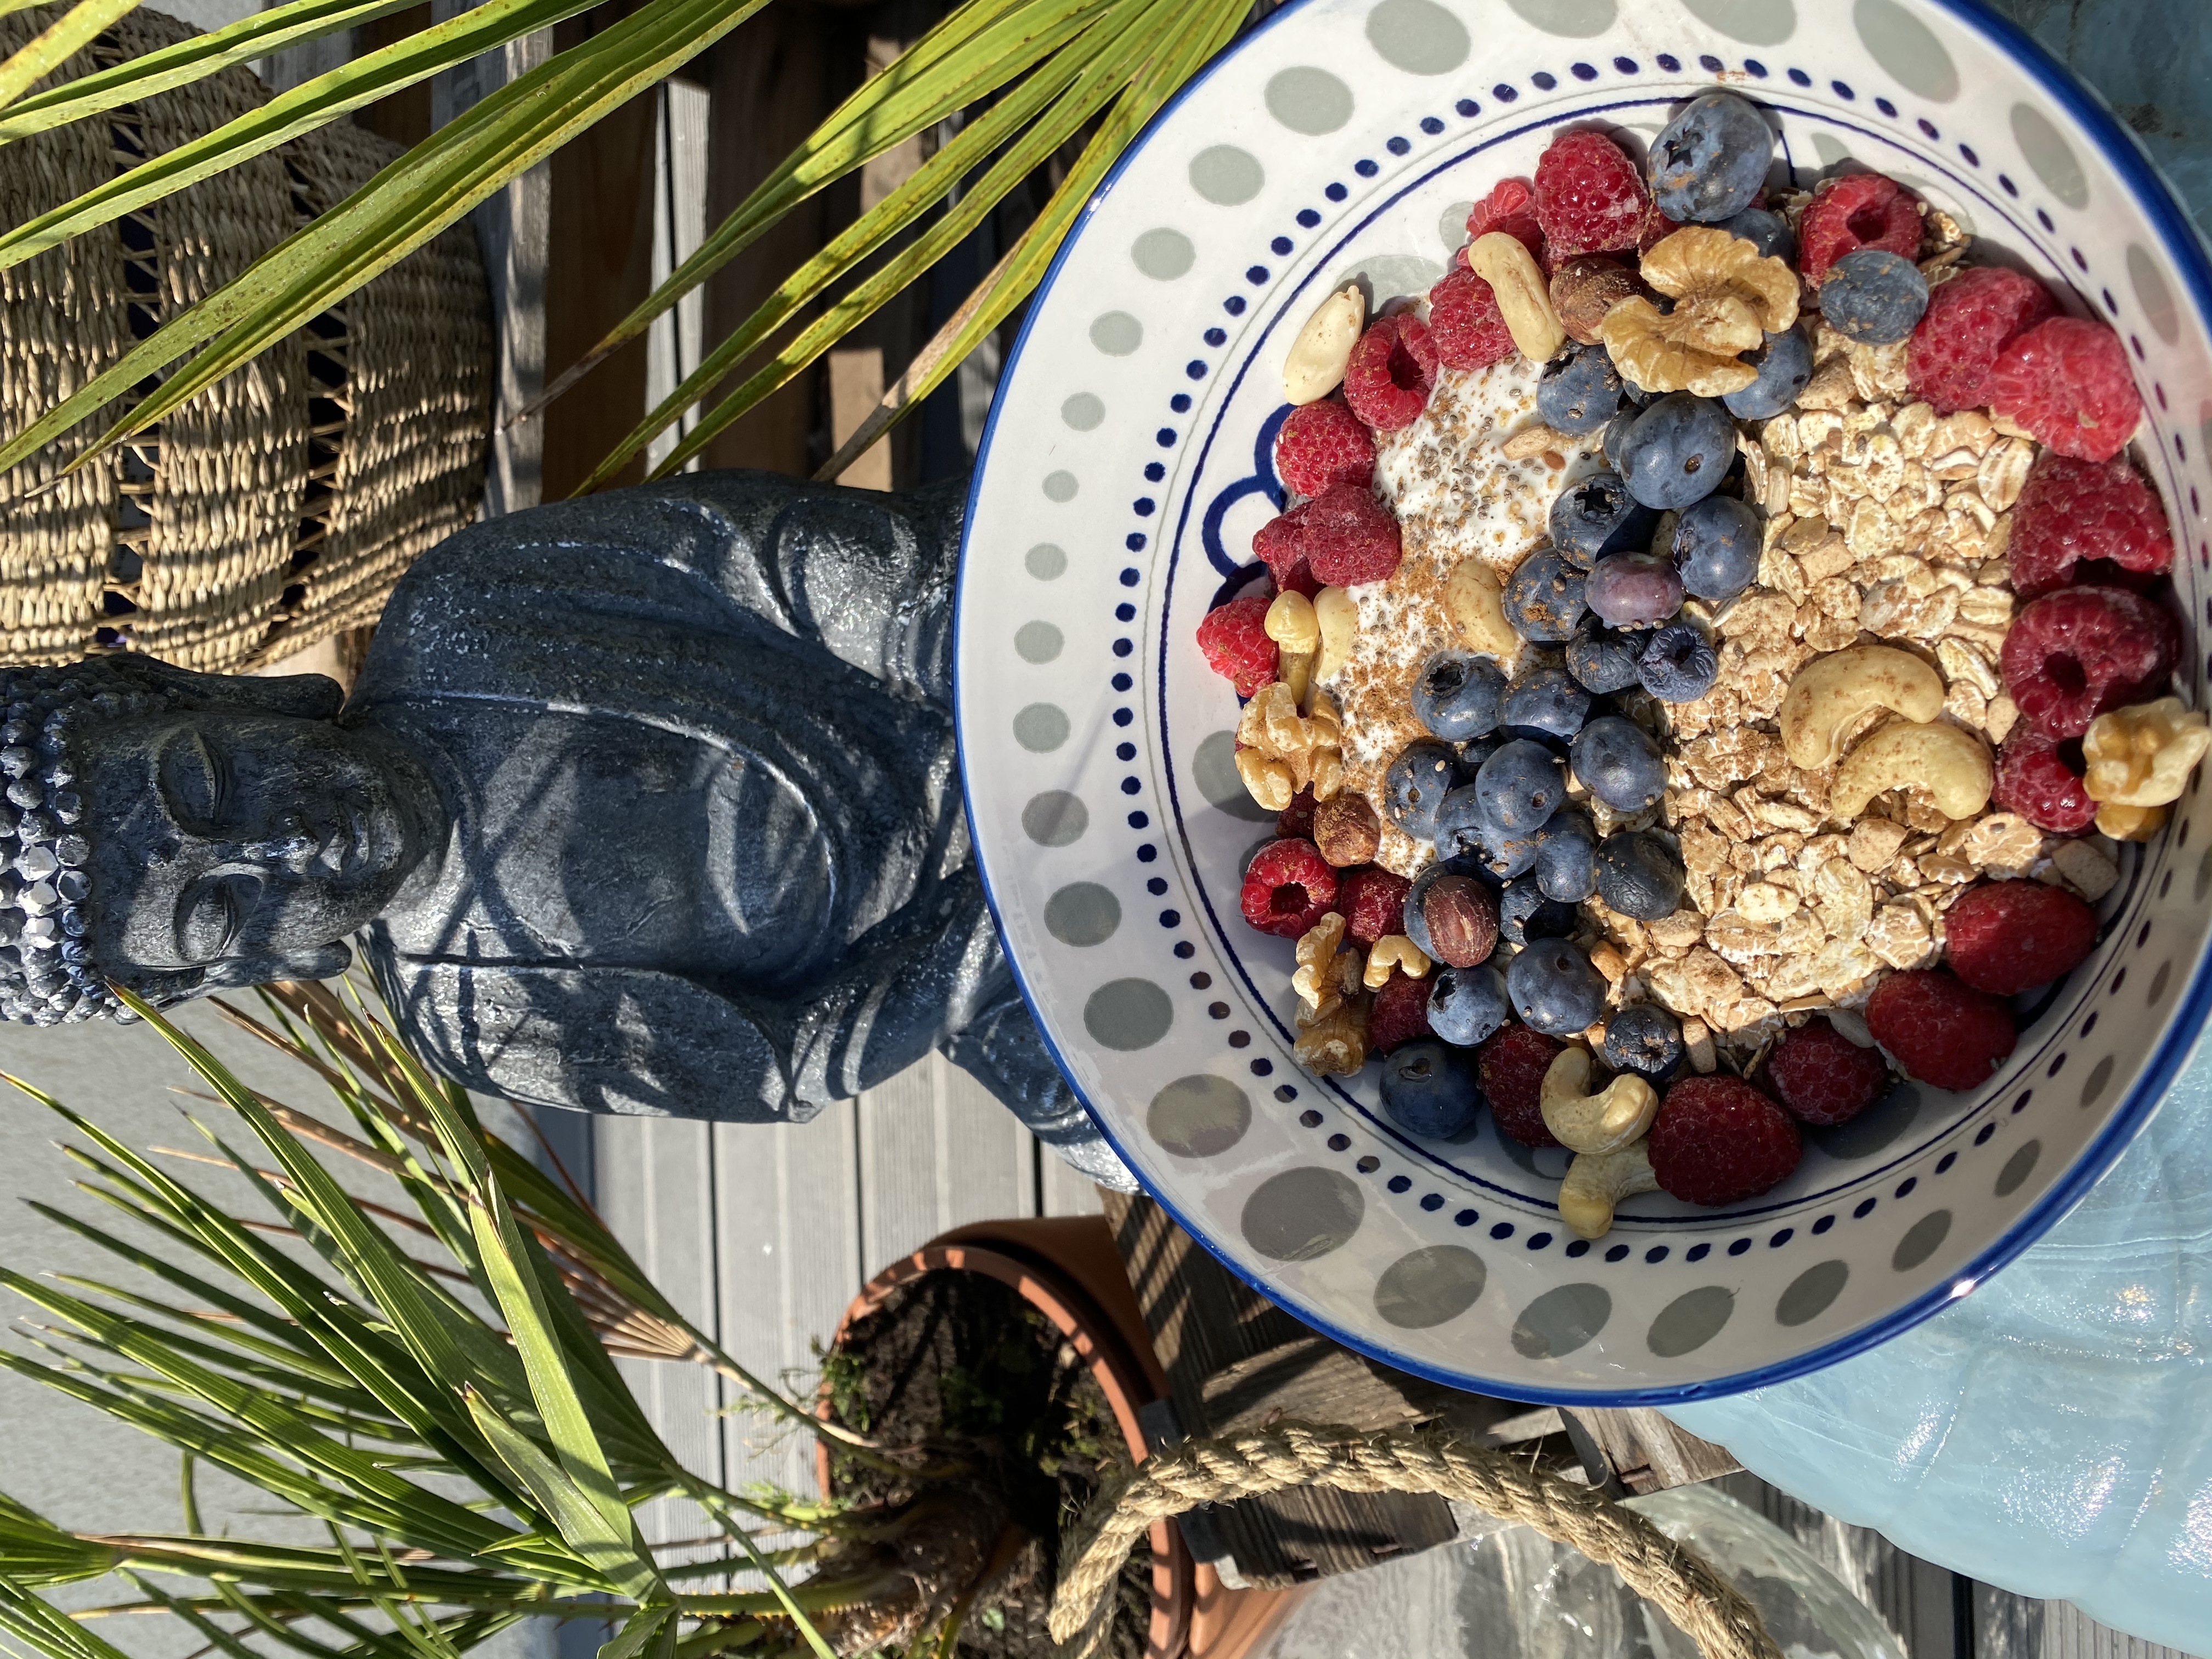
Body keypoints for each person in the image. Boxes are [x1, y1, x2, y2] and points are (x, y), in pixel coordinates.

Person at [5, 471, 1129, 1186]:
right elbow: (792, 1057)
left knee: (1130, 546)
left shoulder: (465, 612)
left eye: (208, 783)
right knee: (1149, 1142)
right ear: (255, 961)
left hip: (982, 650)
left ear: (204, 699)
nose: (287, 844)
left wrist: (997, 683)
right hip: (987, 959)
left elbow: (766, 565)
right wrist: (1007, 924)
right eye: (226, 905)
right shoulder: (472, 1012)